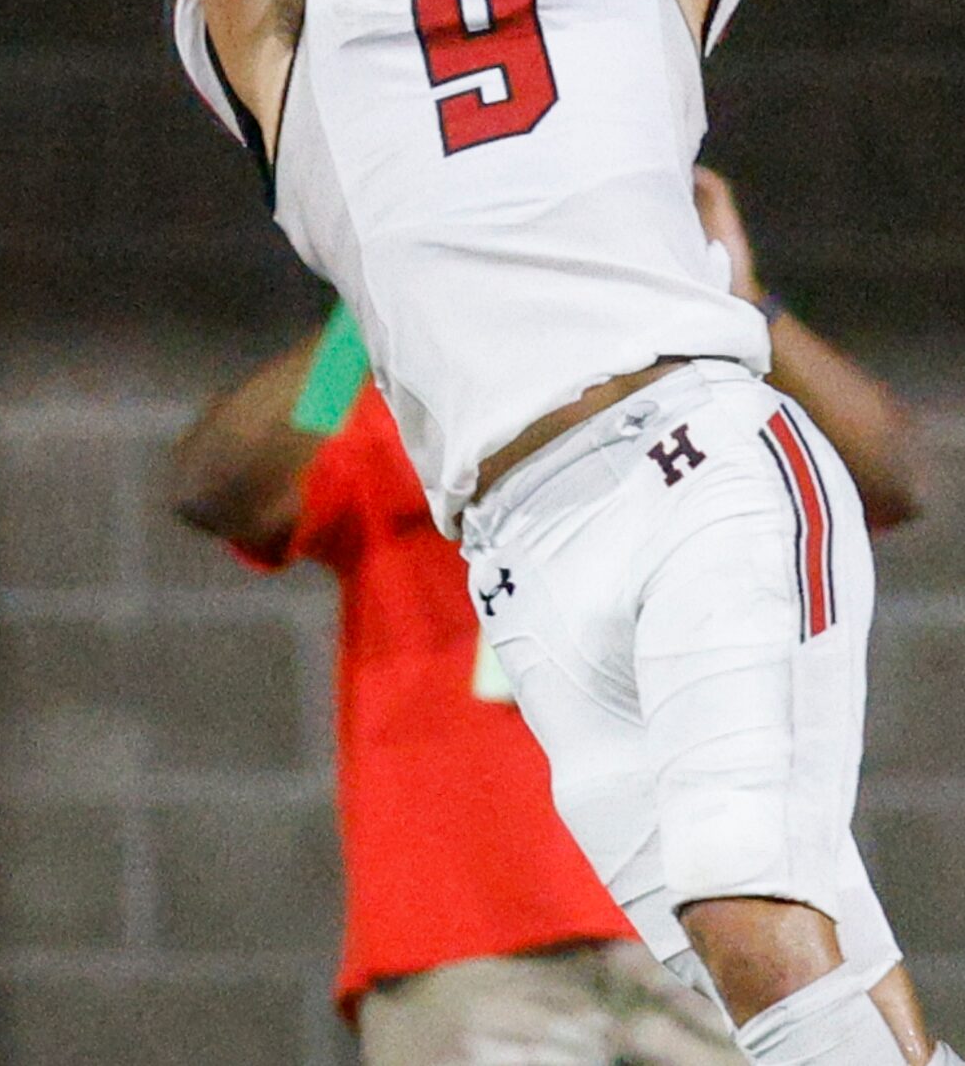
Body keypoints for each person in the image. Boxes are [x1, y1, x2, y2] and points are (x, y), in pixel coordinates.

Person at [152, 0, 955, 1065]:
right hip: (525, 542)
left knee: (756, 921)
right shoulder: (318, 20)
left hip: (683, 453)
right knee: (809, 966)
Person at [171, 170, 926, 1063]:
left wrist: (740, 294)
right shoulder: (398, 383)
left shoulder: (703, 365)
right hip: (469, 938)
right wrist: (380, 296)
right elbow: (219, 487)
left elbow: (891, 477)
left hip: (723, 915)